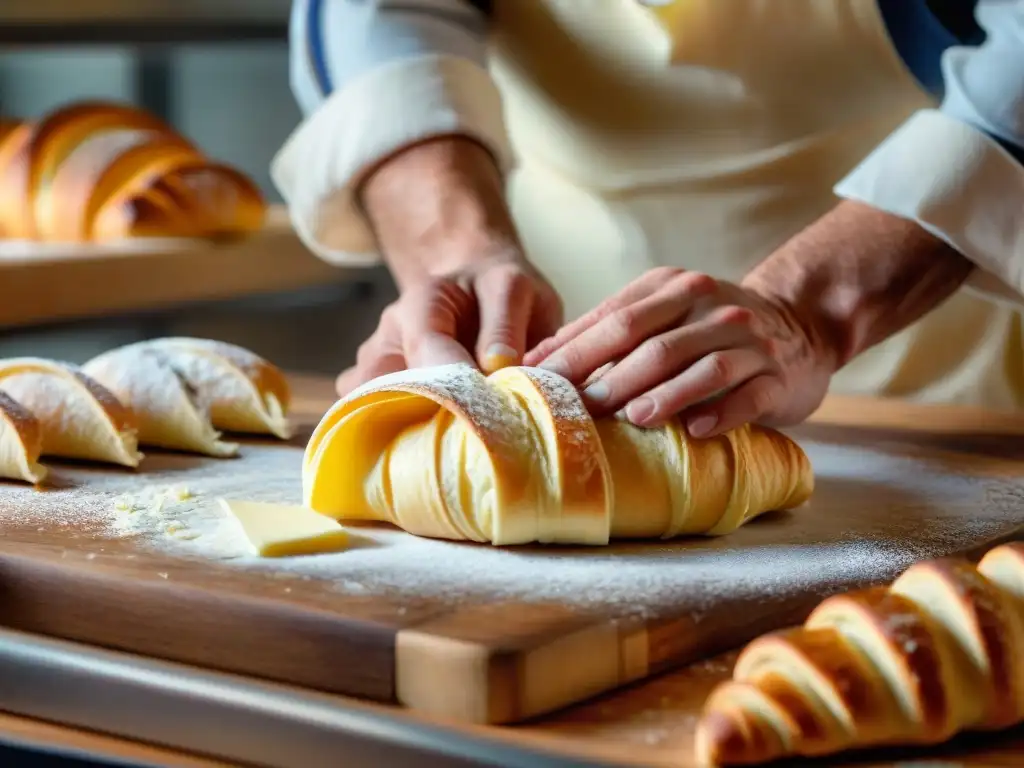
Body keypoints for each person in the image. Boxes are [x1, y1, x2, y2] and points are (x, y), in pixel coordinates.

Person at [273, 0, 1024, 438]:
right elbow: (377, 16)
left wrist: (810, 316)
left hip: (941, 416)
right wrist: (453, 257)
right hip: (550, 377)